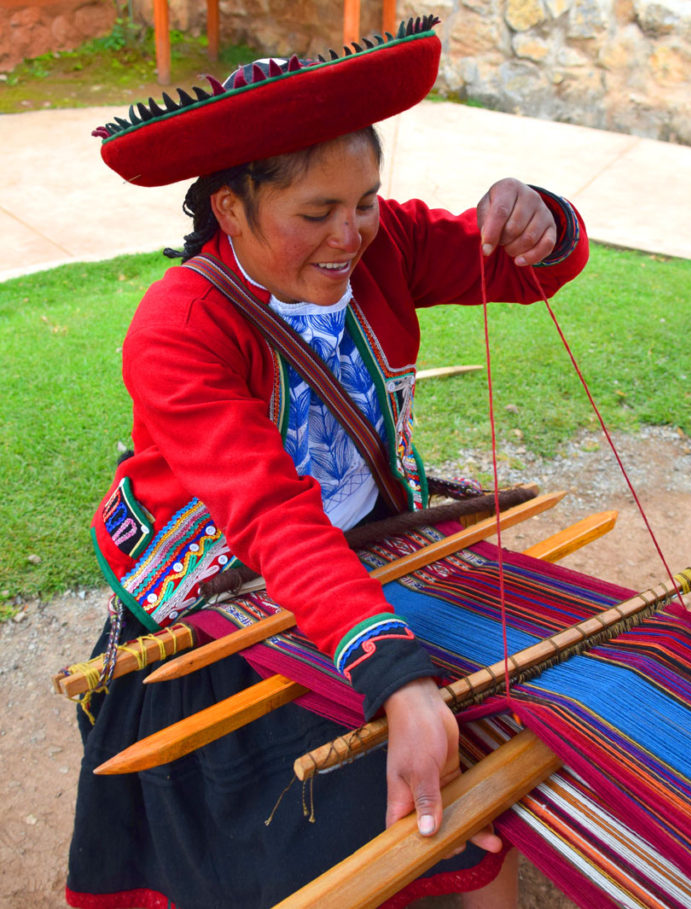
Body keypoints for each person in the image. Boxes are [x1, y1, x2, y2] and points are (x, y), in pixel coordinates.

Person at [67, 18, 589, 909]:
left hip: (360, 550)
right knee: (271, 849)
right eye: (317, 213)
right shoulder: (179, 328)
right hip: (227, 587)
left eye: (367, 200)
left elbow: (524, 265)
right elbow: (269, 512)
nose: (352, 235)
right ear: (230, 208)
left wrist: (535, 215)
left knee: (475, 785)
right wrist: (390, 665)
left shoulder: (383, 247)